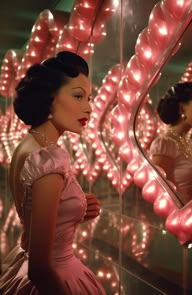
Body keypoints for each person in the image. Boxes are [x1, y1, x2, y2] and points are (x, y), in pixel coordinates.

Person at [0, 51, 106, 295]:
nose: (89, 108)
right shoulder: (48, 160)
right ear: (49, 98)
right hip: (56, 277)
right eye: (78, 96)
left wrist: (75, 208)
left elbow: (32, 217)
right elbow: (40, 268)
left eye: (89, 98)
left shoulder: (27, 146)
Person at [149, 81, 192, 205]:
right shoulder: (165, 144)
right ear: (182, 108)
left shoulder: (186, 140)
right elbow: (160, 194)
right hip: (179, 218)